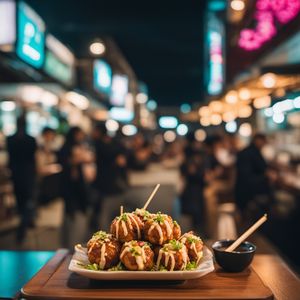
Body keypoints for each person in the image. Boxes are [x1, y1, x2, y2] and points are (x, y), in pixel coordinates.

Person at [58, 127, 91, 248]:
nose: (81, 137)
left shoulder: (78, 146)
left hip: (77, 188)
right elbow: (66, 164)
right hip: (70, 188)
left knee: (74, 217)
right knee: (71, 217)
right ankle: (70, 246)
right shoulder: (66, 148)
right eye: (79, 134)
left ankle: (71, 245)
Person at [6, 115, 37, 242]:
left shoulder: (10, 139)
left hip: (16, 174)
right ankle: (24, 225)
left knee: (20, 201)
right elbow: (33, 157)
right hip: (28, 175)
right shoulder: (31, 140)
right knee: (27, 201)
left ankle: (24, 223)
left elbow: (10, 158)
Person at [235, 133, 275, 217]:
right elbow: (248, 176)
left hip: (243, 188)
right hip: (249, 190)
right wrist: (267, 176)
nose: (264, 144)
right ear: (258, 140)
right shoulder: (252, 152)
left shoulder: (249, 151)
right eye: (263, 141)